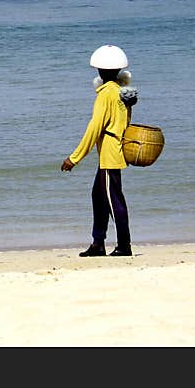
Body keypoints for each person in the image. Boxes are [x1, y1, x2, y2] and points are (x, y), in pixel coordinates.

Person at [61, 44, 135, 257]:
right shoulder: (120, 92)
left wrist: (74, 158)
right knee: (99, 197)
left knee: (114, 201)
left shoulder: (105, 95)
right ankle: (98, 243)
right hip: (112, 151)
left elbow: (94, 128)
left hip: (110, 154)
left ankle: (124, 245)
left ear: (100, 72)